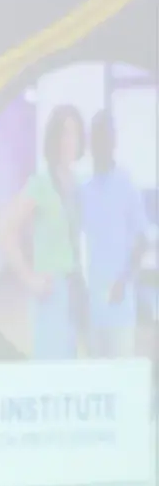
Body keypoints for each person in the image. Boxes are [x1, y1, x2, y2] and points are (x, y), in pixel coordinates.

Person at [0, 104, 88, 359]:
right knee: (52, 365)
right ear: (53, 139)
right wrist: (29, 278)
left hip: (75, 286)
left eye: (74, 133)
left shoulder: (79, 182)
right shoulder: (41, 183)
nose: (68, 141)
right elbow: (5, 229)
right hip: (51, 289)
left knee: (72, 359)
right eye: (62, 133)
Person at [79, 110, 153, 359]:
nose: (101, 144)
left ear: (114, 142)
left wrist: (124, 281)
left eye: (106, 137)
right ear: (90, 143)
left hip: (120, 302)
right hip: (92, 302)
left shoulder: (126, 184)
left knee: (121, 369)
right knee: (96, 374)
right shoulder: (84, 189)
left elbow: (143, 240)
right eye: (96, 138)